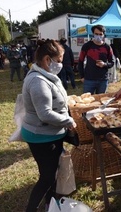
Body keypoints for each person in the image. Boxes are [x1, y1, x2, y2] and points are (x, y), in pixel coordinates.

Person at [21, 39, 76, 212]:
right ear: (47, 60)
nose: (60, 65)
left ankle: (50, 203)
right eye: (59, 61)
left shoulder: (45, 75)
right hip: (42, 137)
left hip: (52, 134)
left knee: (52, 173)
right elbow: (44, 113)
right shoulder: (38, 81)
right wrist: (69, 121)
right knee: (47, 177)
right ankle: (31, 208)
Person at [78, 24, 114, 94]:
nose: (98, 36)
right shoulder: (87, 46)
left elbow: (112, 62)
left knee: (101, 101)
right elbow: (80, 61)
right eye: (96, 34)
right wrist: (82, 76)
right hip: (89, 79)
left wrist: (104, 64)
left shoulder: (107, 47)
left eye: (100, 34)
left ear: (103, 35)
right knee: (87, 102)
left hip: (103, 80)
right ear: (93, 34)